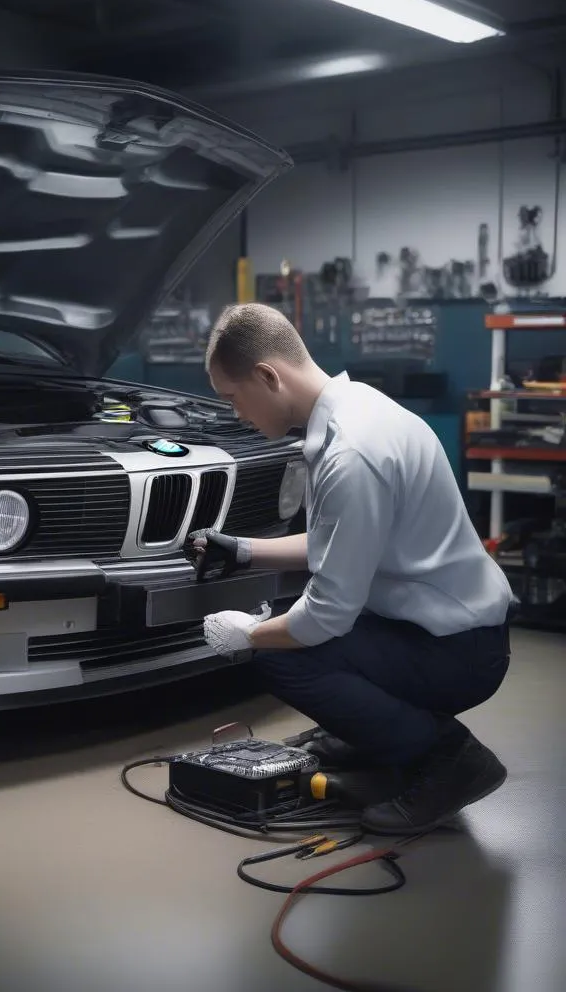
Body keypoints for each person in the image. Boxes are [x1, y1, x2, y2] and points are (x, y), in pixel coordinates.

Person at [185, 302, 514, 835]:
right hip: (443, 628)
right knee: (284, 620)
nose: (236, 414)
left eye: (233, 398)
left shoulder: (352, 454)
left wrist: (250, 635)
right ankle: (372, 735)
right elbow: (334, 545)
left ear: (268, 376)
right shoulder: (356, 410)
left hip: (460, 651)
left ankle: (452, 759)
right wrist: (243, 550)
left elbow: (328, 617)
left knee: (281, 654)